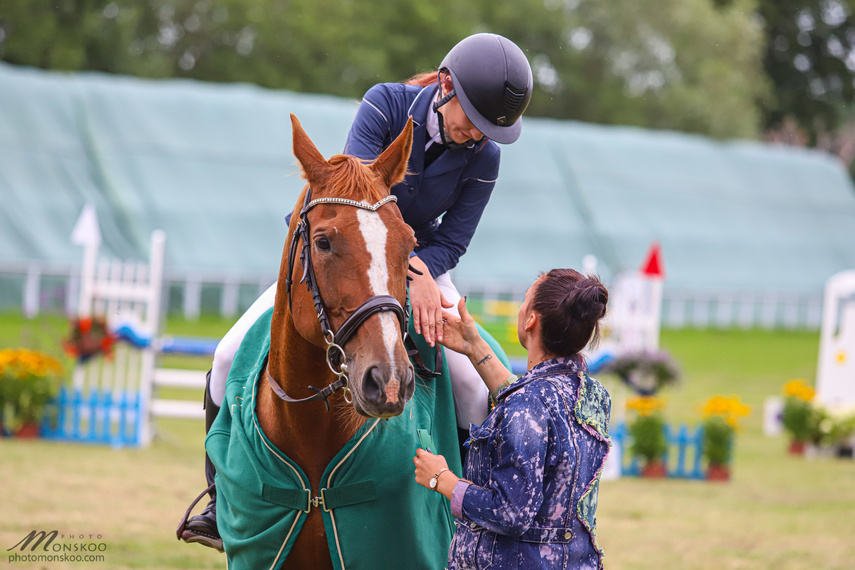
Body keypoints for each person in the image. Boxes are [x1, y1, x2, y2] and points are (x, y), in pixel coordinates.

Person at [179, 33, 533, 550]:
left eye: (488, 131)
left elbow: (454, 238)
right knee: (229, 354)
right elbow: (354, 201)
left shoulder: (484, 157)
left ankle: (470, 514)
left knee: (475, 387)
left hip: (425, 262)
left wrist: (422, 279)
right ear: (445, 84)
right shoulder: (384, 104)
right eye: (473, 122)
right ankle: (217, 499)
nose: (477, 137)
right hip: (338, 256)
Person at [413, 268, 612, 570]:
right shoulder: (594, 396)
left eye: (525, 301)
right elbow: (532, 405)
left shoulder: (529, 403)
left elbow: (510, 513)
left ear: (531, 319)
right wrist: (473, 346)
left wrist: (443, 479)